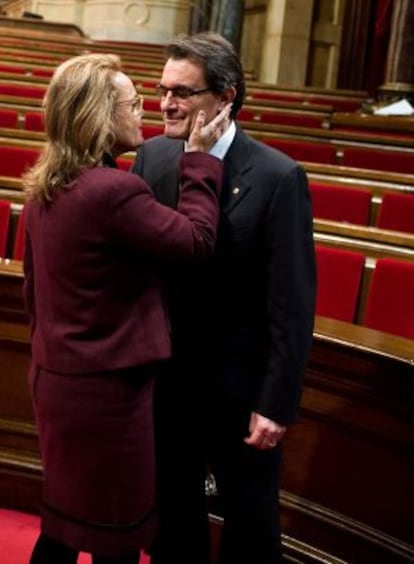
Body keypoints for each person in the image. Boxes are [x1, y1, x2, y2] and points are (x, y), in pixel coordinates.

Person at [22, 52, 231, 564]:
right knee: (113, 533)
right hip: (108, 395)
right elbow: (198, 240)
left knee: (67, 523)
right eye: (132, 103)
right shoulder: (115, 191)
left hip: (57, 380)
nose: (146, 110)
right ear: (99, 115)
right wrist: (202, 161)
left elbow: (33, 292)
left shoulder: (45, 186)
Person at [131, 32, 316, 564]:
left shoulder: (279, 177)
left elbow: (292, 303)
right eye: (163, 89)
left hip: (241, 395)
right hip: (167, 385)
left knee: (251, 528)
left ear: (225, 96)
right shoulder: (153, 158)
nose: (165, 103)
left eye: (183, 93)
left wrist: (276, 403)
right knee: (172, 526)